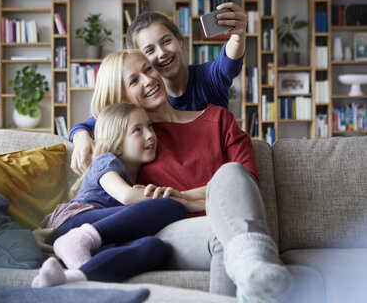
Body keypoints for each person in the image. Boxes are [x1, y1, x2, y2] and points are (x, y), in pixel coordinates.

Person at [83, 49, 292, 303]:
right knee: (223, 235)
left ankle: (253, 267)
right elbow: (105, 132)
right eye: (134, 80)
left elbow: (245, 185)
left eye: (148, 69)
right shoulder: (136, 140)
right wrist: (80, 133)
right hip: (171, 232)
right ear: (121, 98)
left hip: (231, 224)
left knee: (232, 174)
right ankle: (255, 266)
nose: (148, 80)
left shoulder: (219, 120)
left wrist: (181, 198)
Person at [69, 2, 248, 175]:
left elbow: (228, 62)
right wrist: (81, 137)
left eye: (166, 41)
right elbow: (96, 120)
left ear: (179, 40)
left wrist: (238, 36)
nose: (162, 53)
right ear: (140, 57)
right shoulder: (141, 104)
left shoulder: (208, 78)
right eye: (150, 51)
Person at [31, 103, 188, 288]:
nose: (149, 135)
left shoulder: (135, 179)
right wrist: (186, 202)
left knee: (154, 247)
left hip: (92, 240)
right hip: (71, 223)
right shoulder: (105, 161)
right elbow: (127, 196)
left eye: (150, 126)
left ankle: (76, 277)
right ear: (118, 144)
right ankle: (76, 241)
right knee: (171, 207)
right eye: (137, 130)